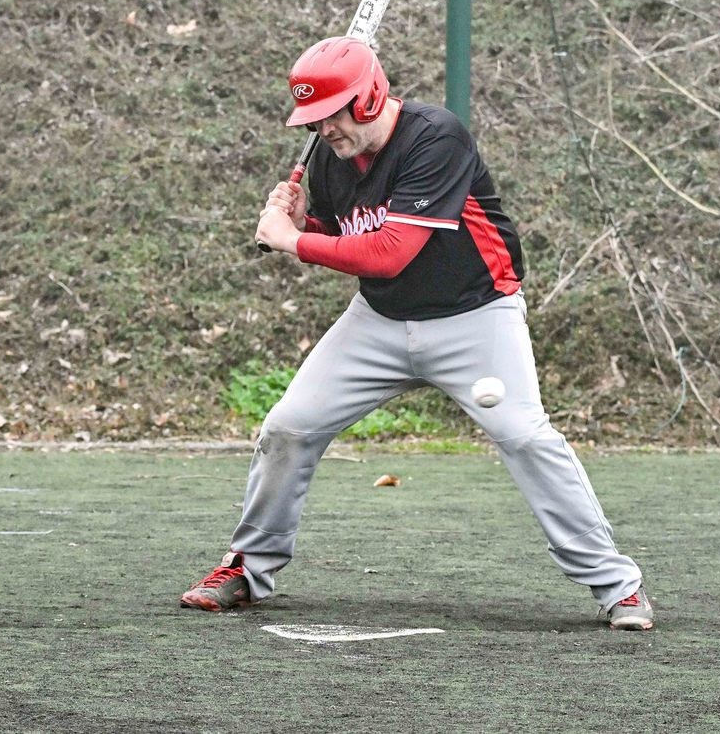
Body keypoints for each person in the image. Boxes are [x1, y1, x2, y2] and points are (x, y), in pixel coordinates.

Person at [178, 36, 653, 629]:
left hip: (475, 316)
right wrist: (308, 223)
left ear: (370, 97)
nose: (324, 129)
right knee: (289, 426)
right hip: (379, 320)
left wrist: (292, 240)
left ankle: (616, 586)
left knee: (526, 437)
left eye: (333, 114)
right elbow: (351, 236)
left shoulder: (436, 138)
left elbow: (390, 253)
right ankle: (248, 568)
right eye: (314, 119)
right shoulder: (330, 157)